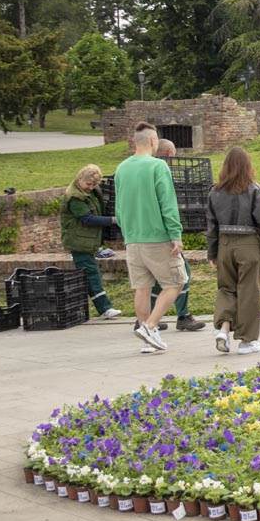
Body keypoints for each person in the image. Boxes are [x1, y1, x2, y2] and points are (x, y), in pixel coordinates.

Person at [114, 124, 186, 353]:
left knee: (142, 288)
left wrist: (128, 232)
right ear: (154, 142)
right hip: (156, 236)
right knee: (175, 282)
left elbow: (118, 208)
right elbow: (168, 202)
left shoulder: (121, 169)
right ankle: (150, 326)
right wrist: (175, 234)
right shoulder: (158, 166)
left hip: (132, 237)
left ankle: (148, 338)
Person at [205, 147, 260, 355]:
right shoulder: (255, 190)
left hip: (224, 244)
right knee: (249, 291)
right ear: (248, 166)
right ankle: (247, 340)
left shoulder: (215, 191)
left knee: (226, 288)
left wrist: (211, 253)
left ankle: (223, 328)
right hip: (248, 243)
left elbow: (211, 226)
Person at [150, 137, 205, 332]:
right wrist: (175, 234)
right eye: (173, 156)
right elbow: (168, 207)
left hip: (143, 236)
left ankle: (146, 317)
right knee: (184, 274)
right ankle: (182, 316)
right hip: (163, 235)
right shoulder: (161, 172)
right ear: (167, 155)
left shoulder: (144, 171)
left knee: (156, 279)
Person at [60, 164, 122, 321]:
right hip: (79, 241)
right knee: (91, 274)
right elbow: (87, 219)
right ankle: (105, 309)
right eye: (88, 184)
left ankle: (103, 308)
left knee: (89, 274)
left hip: (88, 240)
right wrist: (113, 220)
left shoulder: (91, 191)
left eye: (94, 185)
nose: (91, 187)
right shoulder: (75, 197)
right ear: (80, 178)